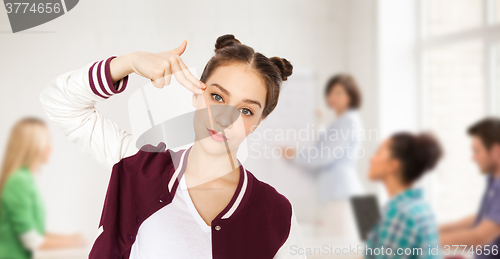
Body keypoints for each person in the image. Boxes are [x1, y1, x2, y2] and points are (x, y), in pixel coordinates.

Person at [39, 34, 305, 259]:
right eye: (217, 96)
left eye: (246, 110)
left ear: (258, 123)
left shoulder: (277, 214)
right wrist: (127, 63)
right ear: (196, 95)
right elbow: (59, 103)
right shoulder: (137, 165)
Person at [282, 74, 364, 238]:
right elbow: (326, 147)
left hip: (342, 197)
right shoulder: (343, 121)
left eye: (339, 93)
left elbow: (323, 155)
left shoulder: (348, 121)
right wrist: (320, 124)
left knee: (339, 252)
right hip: (342, 196)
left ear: (351, 96)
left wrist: (294, 154)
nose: (332, 97)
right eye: (330, 92)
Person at [0, 117, 85, 259]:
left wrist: (70, 238)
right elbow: (32, 241)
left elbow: (33, 232)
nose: (50, 147)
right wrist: (72, 241)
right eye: (47, 141)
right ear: (33, 146)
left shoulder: (25, 178)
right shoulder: (19, 181)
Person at [365, 132, 442, 259]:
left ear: (392, 165)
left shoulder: (400, 214)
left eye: (378, 153)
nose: (371, 158)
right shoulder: (420, 207)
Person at [439, 117, 500, 258]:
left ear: (496, 151)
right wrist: (434, 230)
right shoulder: (493, 181)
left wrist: (422, 241)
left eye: (477, 151)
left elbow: (477, 239)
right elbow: (484, 218)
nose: (473, 158)